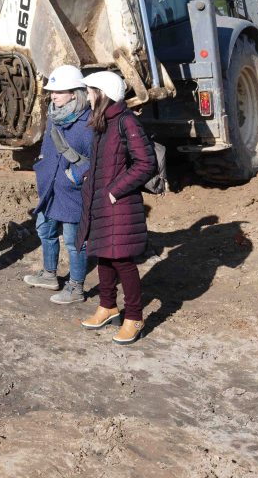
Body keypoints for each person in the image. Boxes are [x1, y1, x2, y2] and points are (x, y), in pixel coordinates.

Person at [77, 71, 157, 345]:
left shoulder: (126, 122)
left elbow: (146, 163)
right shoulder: (104, 122)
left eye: (89, 91)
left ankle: (134, 316)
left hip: (118, 204)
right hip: (101, 201)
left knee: (122, 260)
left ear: (102, 93)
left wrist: (114, 190)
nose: (87, 96)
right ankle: (108, 306)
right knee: (103, 255)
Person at [25, 65, 93, 305]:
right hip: (51, 187)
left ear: (75, 92)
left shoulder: (88, 122)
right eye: (52, 91)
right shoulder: (55, 115)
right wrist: (42, 164)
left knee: (75, 242)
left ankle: (76, 288)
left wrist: (74, 176)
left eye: (59, 91)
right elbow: (47, 145)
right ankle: (49, 274)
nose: (52, 95)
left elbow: (97, 159)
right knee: (45, 230)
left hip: (73, 192)